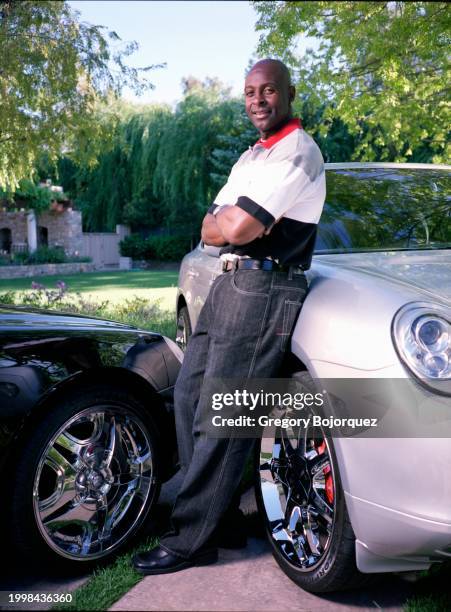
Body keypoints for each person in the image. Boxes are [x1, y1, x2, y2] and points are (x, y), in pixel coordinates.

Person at [132, 58, 326, 575]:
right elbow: (210, 228)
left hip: (266, 284)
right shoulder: (252, 157)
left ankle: (191, 538)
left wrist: (232, 225)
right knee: (192, 396)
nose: (257, 100)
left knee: (222, 412)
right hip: (229, 280)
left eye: (267, 90)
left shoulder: (299, 152)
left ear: (288, 92)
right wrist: (230, 225)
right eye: (249, 93)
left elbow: (237, 226)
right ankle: (215, 519)